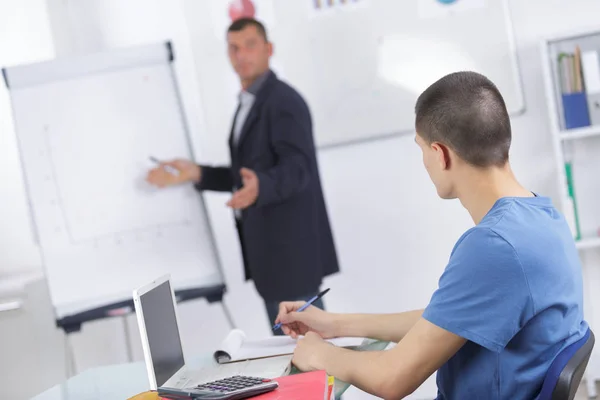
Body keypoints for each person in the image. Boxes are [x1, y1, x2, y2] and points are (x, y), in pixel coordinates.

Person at [275, 71, 588, 399]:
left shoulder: (494, 247)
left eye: (421, 149)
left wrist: (317, 354)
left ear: (441, 154)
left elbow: (391, 378)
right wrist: (337, 325)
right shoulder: (541, 217)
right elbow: (446, 321)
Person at [146, 17, 339, 331]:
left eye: (250, 45)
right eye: (234, 48)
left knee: (313, 355)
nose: (241, 55)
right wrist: (197, 173)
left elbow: (298, 169)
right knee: (295, 357)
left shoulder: (283, 102)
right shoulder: (249, 103)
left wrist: (261, 186)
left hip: (291, 256)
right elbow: (246, 175)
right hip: (272, 260)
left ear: (268, 49)